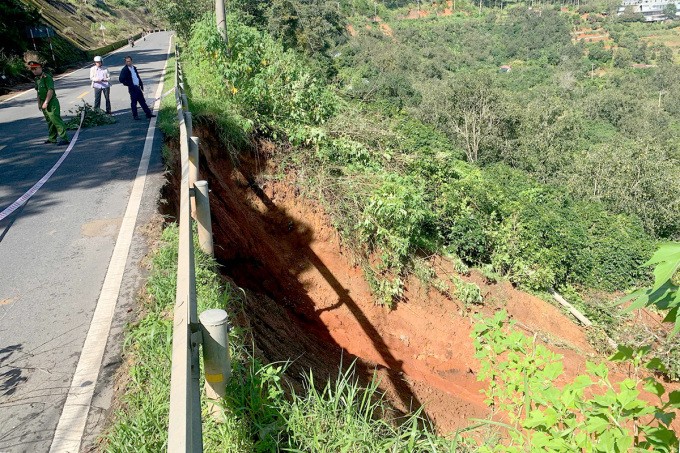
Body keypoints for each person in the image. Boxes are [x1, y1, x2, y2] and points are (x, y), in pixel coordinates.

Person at [28, 60, 69, 145]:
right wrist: (39, 103)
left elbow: (50, 91)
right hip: (43, 102)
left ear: (40, 68)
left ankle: (64, 138)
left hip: (51, 102)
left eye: (35, 68)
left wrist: (46, 102)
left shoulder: (47, 77)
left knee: (55, 120)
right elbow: (38, 92)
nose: (34, 71)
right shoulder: (37, 79)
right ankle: (52, 138)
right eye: (32, 69)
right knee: (49, 121)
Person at [118, 56, 156, 120]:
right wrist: (129, 84)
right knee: (134, 102)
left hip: (138, 87)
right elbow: (121, 79)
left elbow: (137, 77)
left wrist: (141, 84)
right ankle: (135, 116)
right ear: (125, 62)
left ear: (131, 61)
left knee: (142, 101)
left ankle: (148, 114)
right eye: (127, 61)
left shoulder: (134, 68)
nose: (128, 62)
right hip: (132, 88)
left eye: (129, 61)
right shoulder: (125, 70)